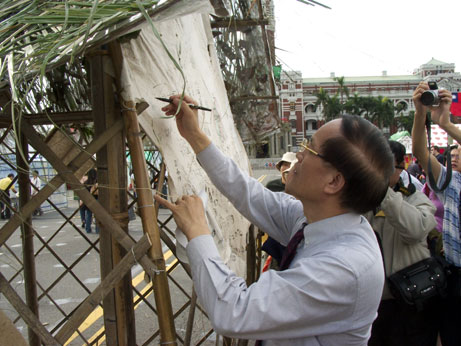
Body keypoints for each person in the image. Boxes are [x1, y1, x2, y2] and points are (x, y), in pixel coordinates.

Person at [154, 94, 394, 345]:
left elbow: (234, 312)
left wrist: (197, 230)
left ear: (333, 182)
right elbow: (248, 193)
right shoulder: (317, 218)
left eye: (309, 148)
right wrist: (194, 134)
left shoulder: (345, 268)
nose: (298, 155)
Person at [366, 140, 437, 346]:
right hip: (374, 303)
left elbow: (414, 230)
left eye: (386, 166)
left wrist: (384, 191)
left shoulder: (416, 200)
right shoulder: (361, 202)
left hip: (412, 301)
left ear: (400, 168)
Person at [411, 81, 461, 346]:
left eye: (460, 153)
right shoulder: (452, 184)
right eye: (452, 152)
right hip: (455, 276)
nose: (453, 156)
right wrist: (421, 114)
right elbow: (419, 152)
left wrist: (447, 124)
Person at [262, 151, 297, 268]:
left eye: (289, 165)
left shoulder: (300, 190)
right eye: (284, 165)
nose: (285, 168)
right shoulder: (272, 186)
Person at [81, 169, 97, 234]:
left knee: (89, 214)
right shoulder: (96, 182)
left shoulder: (86, 183)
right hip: (96, 199)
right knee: (97, 215)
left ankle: (88, 229)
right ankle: (98, 229)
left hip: (88, 200)